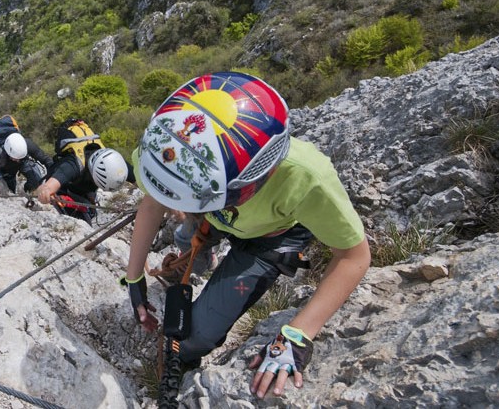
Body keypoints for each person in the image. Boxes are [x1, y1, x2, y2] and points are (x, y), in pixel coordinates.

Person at [120, 71, 370, 400]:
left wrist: (299, 333)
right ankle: (198, 254)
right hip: (214, 218)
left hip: (270, 237)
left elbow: (353, 256)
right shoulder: (165, 148)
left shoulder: (306, 179)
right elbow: (154, 203)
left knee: (193, 339)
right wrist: (134, 276)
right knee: (185, 238)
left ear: (255, 180)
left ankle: (200, 262)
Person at [34, 118, 131, 224]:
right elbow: (47, 187)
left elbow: (141, 179)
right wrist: (44, 193)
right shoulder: (73, 165)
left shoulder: (115, 162)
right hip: (64, 189)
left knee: (88, 208)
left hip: (83, 184)